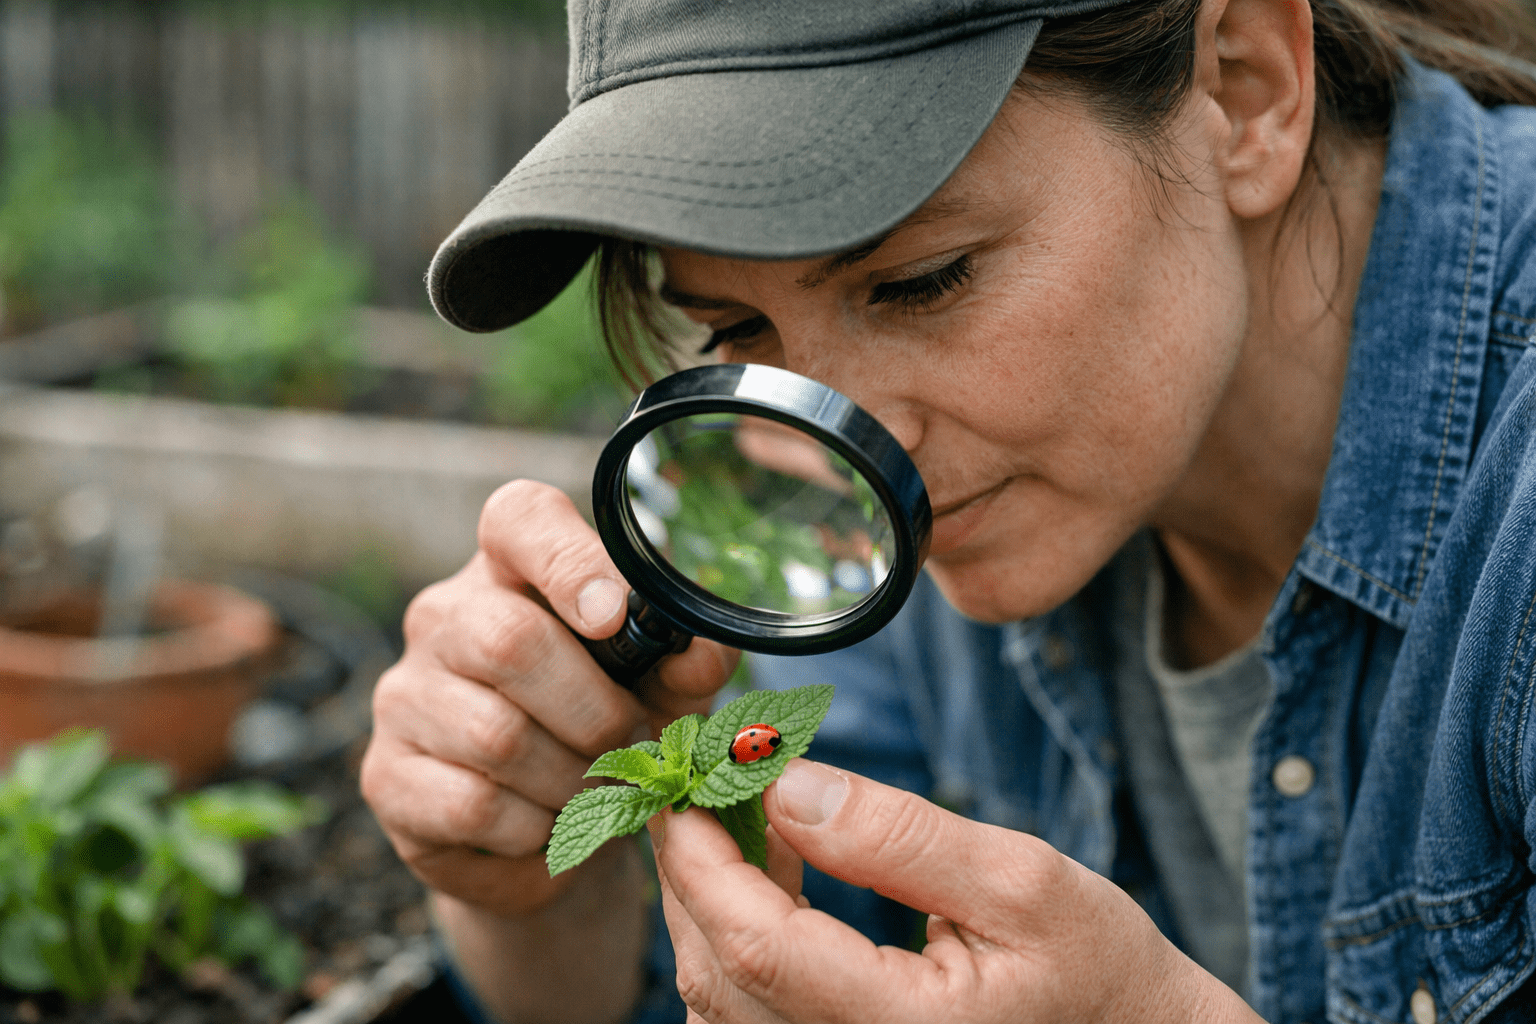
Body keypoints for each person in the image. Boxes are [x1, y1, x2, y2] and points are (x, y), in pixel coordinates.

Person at [359, 0, 1536, 1020]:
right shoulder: (934, 531)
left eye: (922, 280)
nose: (843, 459)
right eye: (738, 332)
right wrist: (531, 886)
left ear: (1245, 87)